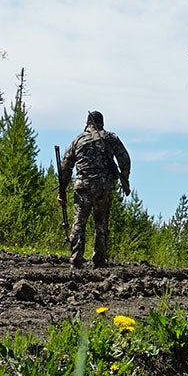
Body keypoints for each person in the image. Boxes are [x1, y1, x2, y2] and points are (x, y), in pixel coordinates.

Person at [58, 110, 131, 268]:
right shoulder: (110, 138)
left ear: (87, 123)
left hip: (84, 187)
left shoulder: (78, 140)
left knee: (79, 224)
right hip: (105, 187)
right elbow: (125, 159)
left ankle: (76, 260)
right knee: (101, 224)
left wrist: (61, 191)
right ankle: (99, 260)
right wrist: (125, 180)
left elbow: (65, 167)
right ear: (102, 124)